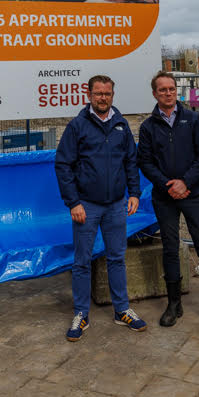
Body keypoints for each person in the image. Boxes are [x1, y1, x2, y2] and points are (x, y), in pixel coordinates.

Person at [55, 74, 148, 341]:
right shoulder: (77, 126)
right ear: (89, 95)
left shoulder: (121, 124)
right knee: (82, 262)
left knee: (117, 258)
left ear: (112, 95)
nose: (102, 98)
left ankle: (122, 310)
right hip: (87, 206)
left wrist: (134, 193)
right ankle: (81, 314)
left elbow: (130, 161)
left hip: (116, 205)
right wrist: (73, 202)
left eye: (107, 94)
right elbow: (63, 165)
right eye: (98, 94)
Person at [138, 71, 199, 334]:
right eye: (162, 89)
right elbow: (145, 162)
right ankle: (174, 304)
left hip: (193, 194)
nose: (168, 93)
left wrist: (185, 182)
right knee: (170, 249)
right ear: (154, 93)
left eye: (171, 88)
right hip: (164, 197)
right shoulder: (148, 127)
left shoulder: (193, 119)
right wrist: (168, 184)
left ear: (176, 90)